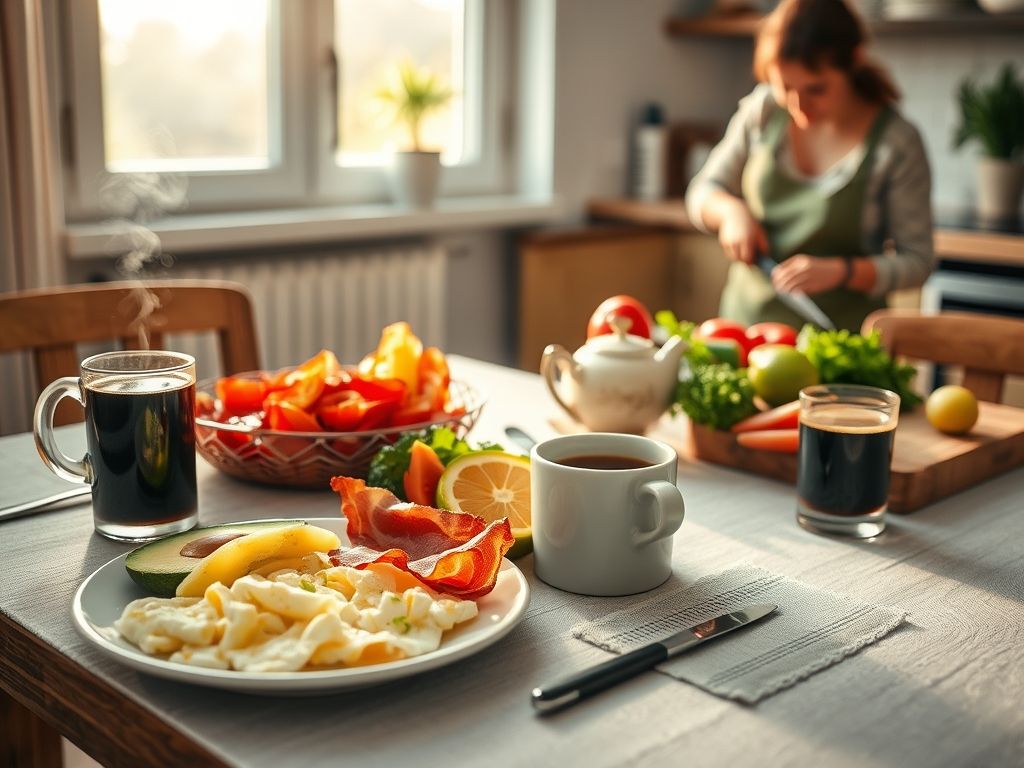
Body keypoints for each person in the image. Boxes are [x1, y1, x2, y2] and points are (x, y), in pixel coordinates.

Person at [685, 0, 933, 332]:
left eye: (816, 89)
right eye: (785, 87)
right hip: (747, 330)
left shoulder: (896, 144)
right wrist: (730, 213)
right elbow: (703, 191)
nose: (798, 106)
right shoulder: (763, 111)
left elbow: (917, 261)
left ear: (855, 61)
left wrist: (843, 271)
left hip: (840, 339)